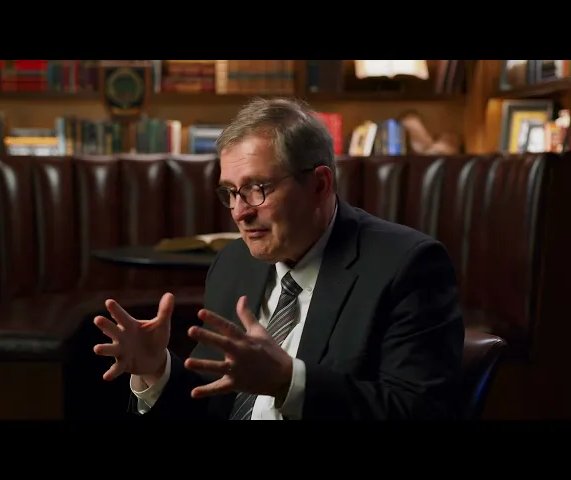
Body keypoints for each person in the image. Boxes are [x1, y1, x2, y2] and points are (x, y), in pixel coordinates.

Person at [92, 97, 465, 420]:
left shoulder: (407, 266)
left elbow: (420, 410)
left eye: (257, 189)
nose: (240, 212)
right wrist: (158, 370)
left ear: (319, 184)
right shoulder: (233, 263)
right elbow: (211, 402)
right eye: (230, 192)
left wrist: (289, 383)